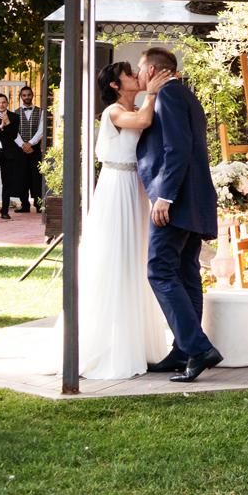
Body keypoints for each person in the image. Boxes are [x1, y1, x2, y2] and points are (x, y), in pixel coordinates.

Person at [79, 61, 172, 379]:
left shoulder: (138, 104)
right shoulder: (113, 112)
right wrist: (152, 93)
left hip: (137, 189)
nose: (136, 77)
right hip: (116, 187)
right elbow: (143, 120)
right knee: (115, 257)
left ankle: (139, 343)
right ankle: (110, 346)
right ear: (116, 85)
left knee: (137, 259)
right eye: (129, 75)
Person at [134, 47, 222, 382]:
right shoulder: (184, 94)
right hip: (195, 200)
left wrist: (165, 196)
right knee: (186, 275)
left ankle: (199, 349)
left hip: (177, 202)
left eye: (142, 70)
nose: (140, 76)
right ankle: (184, 351)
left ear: (154, 69)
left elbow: (177, 148)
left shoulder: (169, 95)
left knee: (160, 272)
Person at [11, 84, 46, 211]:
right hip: (20, 149)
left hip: (34, 148)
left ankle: (38, 204)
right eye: (24, 95)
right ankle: (24, 204)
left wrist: (30, 143)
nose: (27, 97)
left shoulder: (40, 111)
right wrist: (23, 145)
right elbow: (13, 132)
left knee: (36, 176)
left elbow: (41, 130)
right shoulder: (14, 113)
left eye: (29, 95)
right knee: (22, 176)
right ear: (21, 97)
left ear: (32, 96)